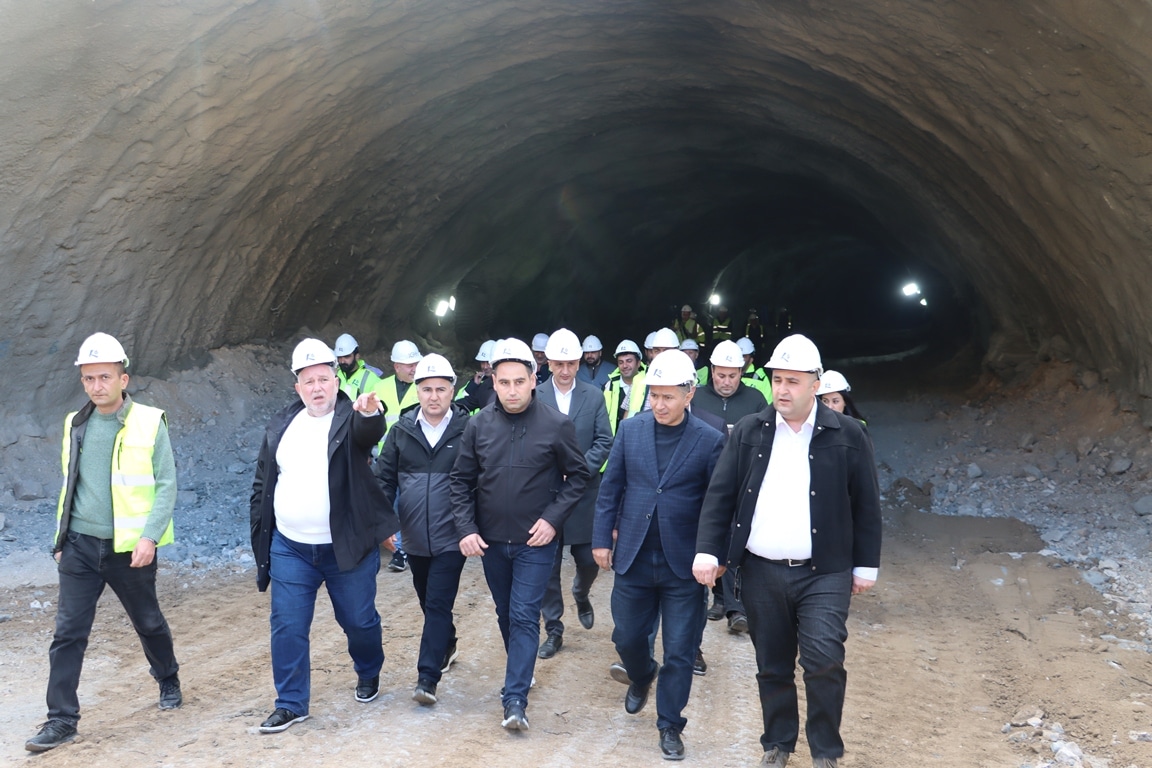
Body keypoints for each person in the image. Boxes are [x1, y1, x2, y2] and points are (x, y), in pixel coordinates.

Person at [694, 334, 882, 768]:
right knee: (772, 664)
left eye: (793, 381)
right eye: (777, 379)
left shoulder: (848, 434)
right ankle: (777, 743)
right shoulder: (749, 431)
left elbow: (867, 505)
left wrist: (865, 565)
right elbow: (720, 497)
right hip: (761, 571)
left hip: (826, 571)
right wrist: (710, 551)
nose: (782, 390)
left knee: (824, 660)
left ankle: (825, 752)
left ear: (815, 383)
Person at [26, 333, 182, 753]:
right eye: (89, 378)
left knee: (147, 621)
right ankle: (61, 719)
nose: (97, 385)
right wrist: (61, 539)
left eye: (105, 376)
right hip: (79, 545)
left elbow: (166, 485)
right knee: (68, 633)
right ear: (82, 382)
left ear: (123, 378)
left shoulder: (150, 421)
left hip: (128, 549)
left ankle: (167, 677)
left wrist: (149, 536)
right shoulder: (74, 424)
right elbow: (70, 484)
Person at [249, 339, 399, 734]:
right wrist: (260, 539)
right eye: (308, 380)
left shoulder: (351, 419)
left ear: (337, 381)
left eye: (324, 379)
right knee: (287, 625)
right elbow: (263, 482)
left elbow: (369, 433)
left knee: (359, 621)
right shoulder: (282, 424)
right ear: (298, 387)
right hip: (291, 548)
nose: (317, 387)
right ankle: (291, 703)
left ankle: (369, 669)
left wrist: (369, 414)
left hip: (346, 548)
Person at [450, 338, 590, 732]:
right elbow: (460, 481)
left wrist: (553, 520)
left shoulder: (555, 424)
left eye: (519, 381)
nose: (512, 390)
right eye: (504, 382)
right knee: (505, 611)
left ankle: (514, 699)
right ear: (493, 383)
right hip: (492, 541)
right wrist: (466, 528)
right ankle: (520, 667)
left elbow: (578, 476)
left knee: (525, 615)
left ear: (534, 379)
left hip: (535, 541)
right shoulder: (478, 425)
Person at [592, 350, 725, 761]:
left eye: (668, 396)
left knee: (681, 650)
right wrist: (601, 539)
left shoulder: (709, 439)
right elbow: (611, 488)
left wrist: (714, 555)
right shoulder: (631, 431)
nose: (660, 404)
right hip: (633, 556)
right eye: (654, 396)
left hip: (683, 565)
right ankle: (641, 674)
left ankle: (670, 724)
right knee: (627, 637)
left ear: (689, 394)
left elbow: (717, 504)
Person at [375, 354, 470, 706]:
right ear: (417, 390)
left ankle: (427, 678)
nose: (433, 396)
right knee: (428, 601)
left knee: (438, 602)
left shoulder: (468, 431)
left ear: (452, 391)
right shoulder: (400, 432)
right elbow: (383, 479)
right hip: (413, 538)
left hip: (452, 537)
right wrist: (385, 524)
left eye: (441, 390)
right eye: (427, 389)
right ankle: (447, 642)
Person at [536, 330, 614, 660]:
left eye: (570, 363)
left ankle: (581, 591)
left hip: (583, 490)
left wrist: (579, 469)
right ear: (549, 362)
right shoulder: (536, 395)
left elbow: (604, 440)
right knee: (547, 565)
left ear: (579, 361)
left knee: (587, 557)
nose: (565, 370)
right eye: (559, 364)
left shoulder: (594, 395)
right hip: (547, 493)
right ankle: (554, 628)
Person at [686, 339, 767, 633]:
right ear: (711, 370)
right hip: (705, 480)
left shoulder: (756, 400)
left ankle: (735, 606)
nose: (726, 382)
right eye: (721, 375)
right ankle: (719, 599)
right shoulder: (696, 400)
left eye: (733, 375)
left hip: (744, 481)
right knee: (711, 537)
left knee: (738, 540)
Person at [381, 339, 424, 572]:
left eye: (415, 363)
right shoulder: (380, 387)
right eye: (408, 364)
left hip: (413, 458)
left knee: (408, 505)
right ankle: (398, 548)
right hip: (386, 458)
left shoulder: (425, 387)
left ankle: (403, 551)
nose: (413, 368)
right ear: (396, 365)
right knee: (390, 504)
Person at [604, 339, 647, 433]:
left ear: (638, 363)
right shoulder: (609, 386)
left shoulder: (647, 384)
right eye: (621, 362)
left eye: (629, 361)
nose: (625, 365)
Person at [333, 333, 385, 399]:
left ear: (357, 356)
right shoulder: (334, 373)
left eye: (346, 356)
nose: (342, 361)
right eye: (339, 357)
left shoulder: (372, 378)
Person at [456, 339, 497, 413]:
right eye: (482, 362)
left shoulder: (506, 385)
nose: (485, 367)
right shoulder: (478, 383)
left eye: (488, 362)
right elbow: (460, 402)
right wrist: (473, 385)